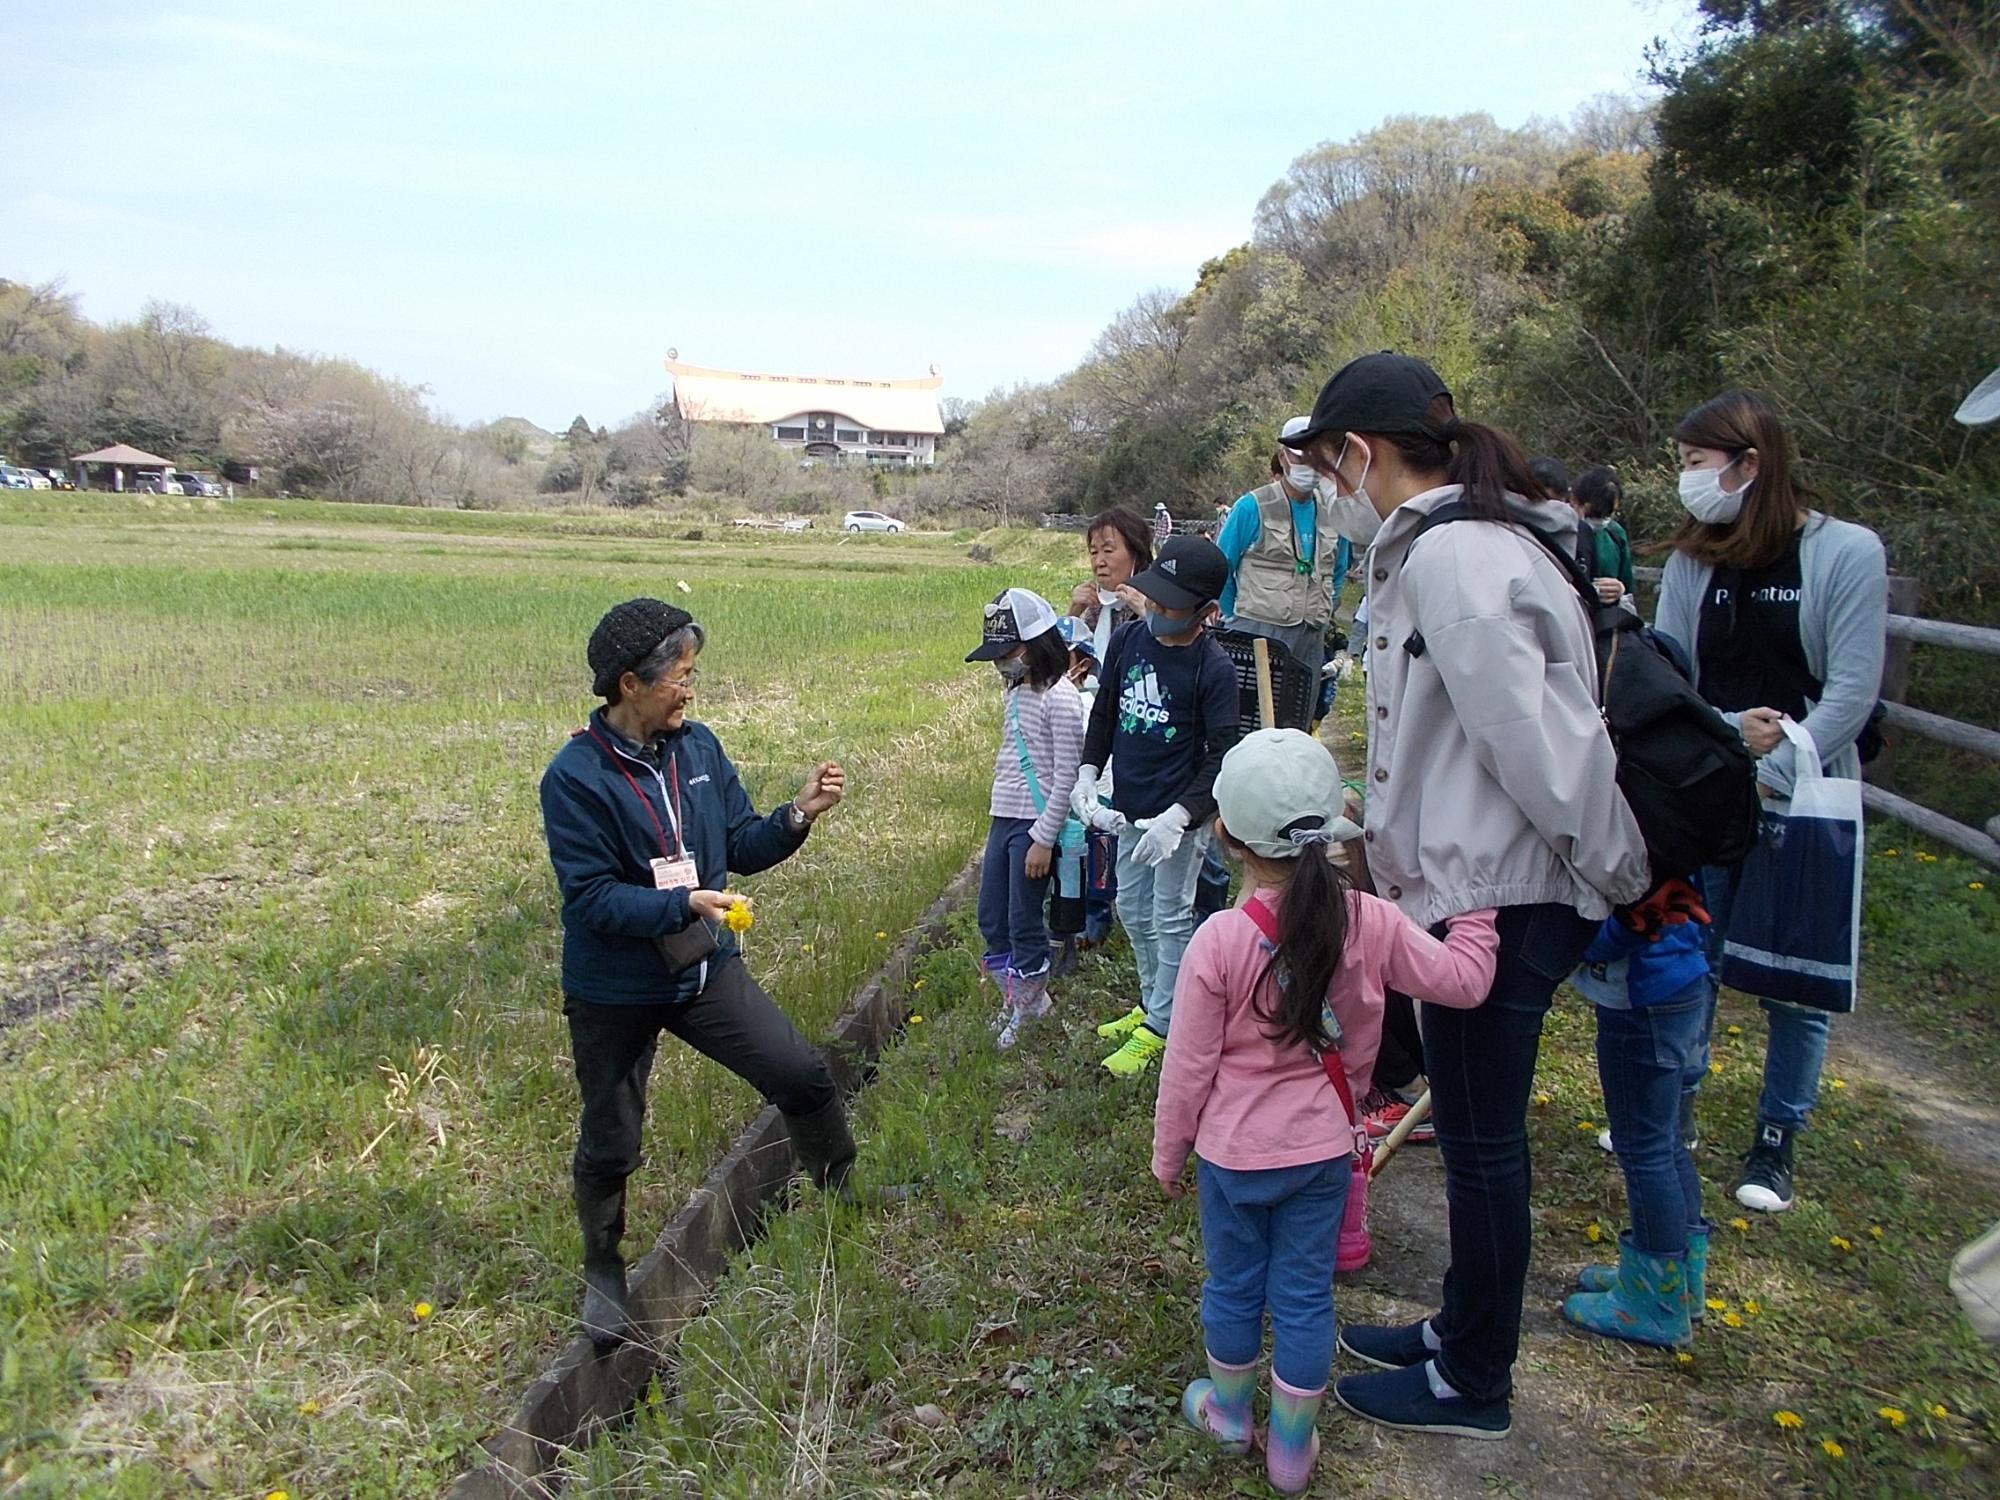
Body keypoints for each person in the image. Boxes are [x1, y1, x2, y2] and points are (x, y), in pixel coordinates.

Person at [1284, 353, 1649, 1438]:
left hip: (1504, 896)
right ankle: (1451, 1333)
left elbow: (1539, 741)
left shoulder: (1456, 560)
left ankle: (1471, 1384)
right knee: (1476, 1140)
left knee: (1485, 1154)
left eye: (1322, 466)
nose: (1323, 489)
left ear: (1359, 454)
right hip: (1462, 892)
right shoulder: (1447, 550)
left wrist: (1616, 880)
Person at [1154, 729, 1500, 1494]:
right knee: (1304, 1295)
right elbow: (1466, 983)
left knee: (1233, 1286)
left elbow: (1188, 1068)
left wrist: (1168, 1154)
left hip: (1232, 1157)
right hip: (1320, 1155)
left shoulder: (1217, 941)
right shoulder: (1369, 921)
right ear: (1339, 825)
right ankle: (1289, 1450)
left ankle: (1231, 1416)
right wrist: (1476, 907)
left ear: (1227, 838)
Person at [539, 598, 854, 1346]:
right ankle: (603, 1269)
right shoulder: (575, 778)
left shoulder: (699, 749)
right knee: (611, 1136)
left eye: (692, 674)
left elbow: (738, 840)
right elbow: (591, 900)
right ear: (628, 684)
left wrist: (796, 816)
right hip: (614, 987)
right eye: (680, 677)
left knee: (802, 1073)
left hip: (700, 969)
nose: (691, 689)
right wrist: (684, 902)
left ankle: (843, 1193)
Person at [1656, 390, 1887, 1215]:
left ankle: (1776, 1136)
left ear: (1749, 464)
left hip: (1811, 789)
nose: (1686, 481)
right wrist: (1726, 735)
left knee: (1796, 970)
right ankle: (1671, 1113)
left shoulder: (1846, 554)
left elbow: (1854, 686)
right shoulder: (1693, 563)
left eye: (1695, 464)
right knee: (1694, 952)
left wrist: (1787, 751)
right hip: (1712, 789)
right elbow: (1670, 675)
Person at [1073, 535, 1242, 1077]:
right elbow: (1103, 716)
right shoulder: (1128, 641)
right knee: (1132, 909)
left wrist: (1180, 818)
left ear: (1206, 612)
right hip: (1128, 807)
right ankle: (1152, 1003)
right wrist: (1088, 773)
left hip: (1178, 821)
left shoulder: (1212, 669)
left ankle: (1165, 1027)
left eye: (1172, 607)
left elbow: (1220, 759)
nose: (1159, 613)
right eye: (1155, 600)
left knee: (1170, 916)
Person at [1562, 898, 1712, 1348]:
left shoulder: (1645, 844)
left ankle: (1655, 1302)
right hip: (1677, 984)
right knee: (1664, 1143)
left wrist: (1576, 946)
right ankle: (1682, 1282)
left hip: (1644, 998)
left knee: (1643, 1149)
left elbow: (1634, 920)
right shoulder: (1676, 836)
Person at [967, 587, 1087, 1048]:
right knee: (991, 917)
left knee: (1023, 919)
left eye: (1010, 652)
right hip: (1004, 817)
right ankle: (1021, 1000)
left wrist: (1043, 837)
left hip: (1034, 825)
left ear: (1037, 644)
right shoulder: (1017, 693)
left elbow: (1065, 775)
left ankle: (1030, 1004)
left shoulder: (1061, 698)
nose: (1003, 664)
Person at [1214, 419, 1354, 690]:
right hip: (1256, 632)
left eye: (1317, 458)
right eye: (1301, 458)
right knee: (1250, 716)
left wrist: (1325, 609)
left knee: (1297, 718)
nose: (1309, 467)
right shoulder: (1252, 506)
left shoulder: (1335, 510)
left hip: (1311, 636)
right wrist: (1232, 615)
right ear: (1283, 456)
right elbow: (1221, 566)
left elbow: (1338, 570)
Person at [1076, 509, 1156, 942]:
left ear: (1137, 554)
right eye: (1093, 551)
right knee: (1096, 818)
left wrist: (1146, 612)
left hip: (1140, 729)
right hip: (1095, 725)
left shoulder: (1154, 605)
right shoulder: (1095, 607)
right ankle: (1098, 909)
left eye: (1110, 550)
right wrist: (1073, 610)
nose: (1099, 561)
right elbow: (1065, 662)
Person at [1572, 465, 1636, 607]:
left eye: (1607, 514)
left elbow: (1627, 583)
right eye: (1592, 513)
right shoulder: (1565, 532)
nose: (1599, 521)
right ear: (1575, 501)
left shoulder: (1615, 533)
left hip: (1607, 618)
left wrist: (1620, 590)